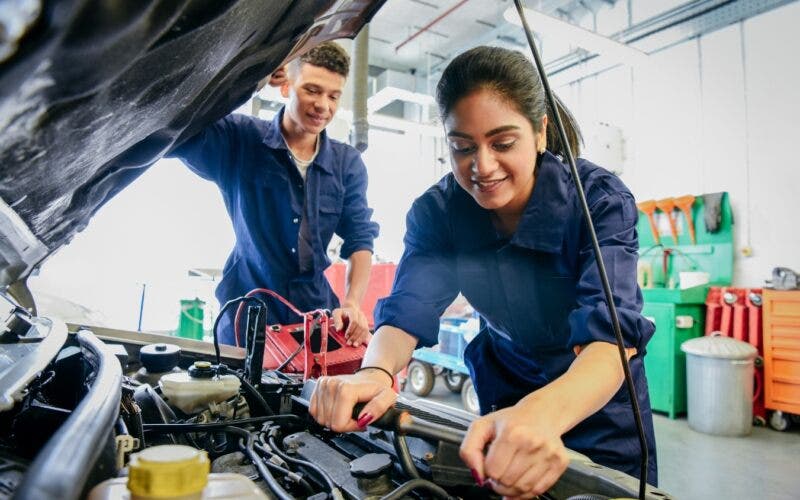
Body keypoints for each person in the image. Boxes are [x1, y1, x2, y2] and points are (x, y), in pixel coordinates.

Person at [308, 45, 657, 497]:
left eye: (503, 143)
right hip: (505, 399)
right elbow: (407, 310)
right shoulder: (439, 213)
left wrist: (540, 416)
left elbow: (611, 341)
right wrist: (373, 372)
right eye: (462, 147)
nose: (483, 166)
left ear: (541, 132)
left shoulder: (599, 202)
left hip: (600, 412)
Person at [170, 42, 379, 346]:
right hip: (247, 319)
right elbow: (179, 125)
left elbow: (360, 238)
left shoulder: (347, 164)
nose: (324, 105)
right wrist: (250, 79)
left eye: (333, 96)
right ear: (285, 87)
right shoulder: (240, 140)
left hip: (314, 319)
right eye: (312, 90)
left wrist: (352, 303)